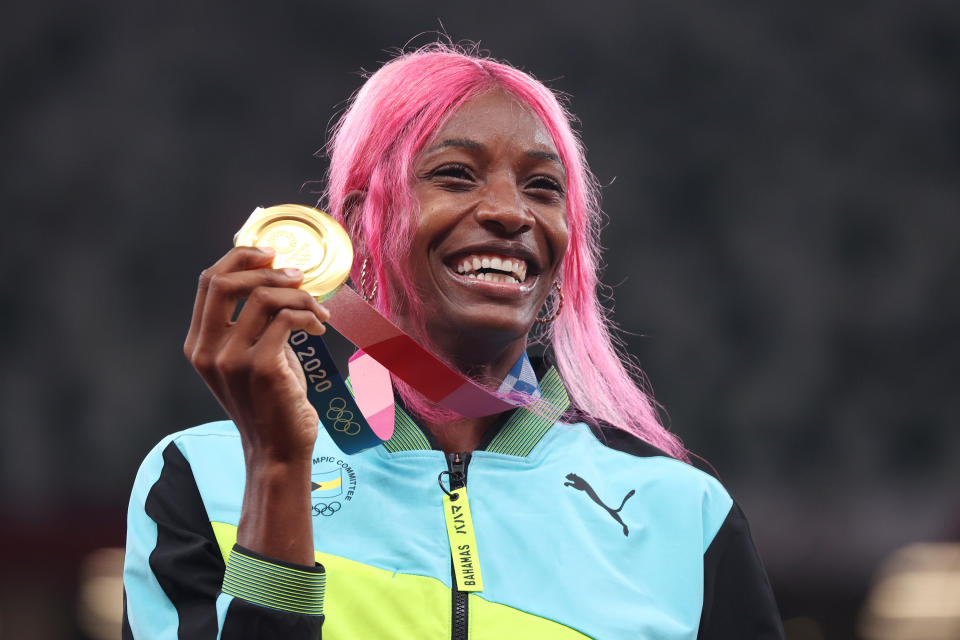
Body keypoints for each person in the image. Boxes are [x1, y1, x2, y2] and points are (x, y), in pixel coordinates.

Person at [122, 44, 785, 639]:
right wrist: (276, 468)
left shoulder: (680, 512)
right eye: (456, 175)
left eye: (543, 187)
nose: (508, 211)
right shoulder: (201, 479)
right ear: (361, 222)